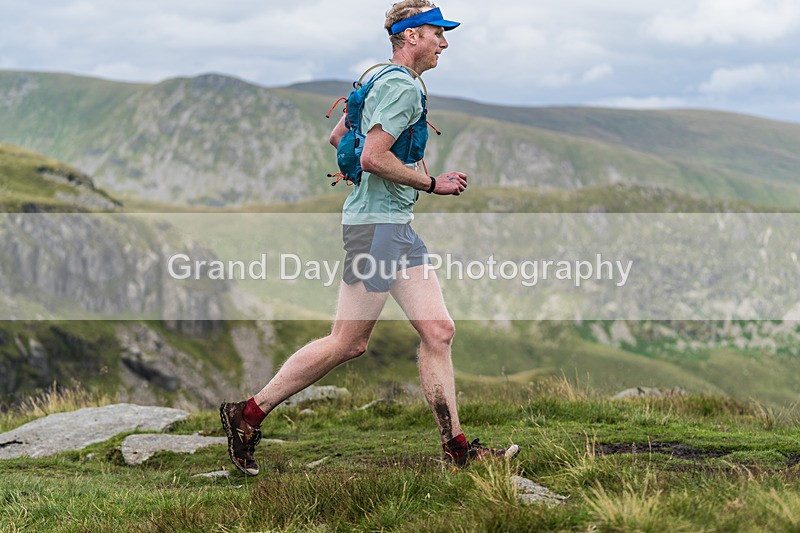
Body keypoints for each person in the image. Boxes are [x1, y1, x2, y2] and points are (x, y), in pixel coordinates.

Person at [220, 0, 519, 476]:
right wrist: (432, 183)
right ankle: (247, 414)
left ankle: (457, 450)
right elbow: (371, 158)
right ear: (412, 35)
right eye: (437, 32)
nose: (444, 42)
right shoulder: (402, 89)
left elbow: (339, 136)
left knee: (438, 331)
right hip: (376, 229)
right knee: (347, 342)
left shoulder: (376, 76)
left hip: (393, 228)